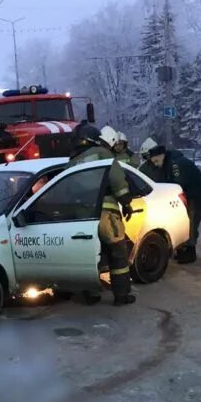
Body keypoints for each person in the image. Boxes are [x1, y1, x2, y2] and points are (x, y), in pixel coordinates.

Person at [67, 123, 136, 306]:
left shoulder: (73, 161)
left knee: (89, 256)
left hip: (81, 217)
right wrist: (126, 203)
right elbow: (117, 180)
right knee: (118, 255)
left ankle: (91, 294)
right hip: (106, 215)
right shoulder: (101, 153)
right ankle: (121, 296)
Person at [138, 138, 201, 264]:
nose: (155, 164)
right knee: (188, 221)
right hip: (191, 195)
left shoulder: (175, 164)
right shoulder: (169, 162)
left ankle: (190, 253)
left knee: (191, 222)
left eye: (156, 161)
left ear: (161, 155)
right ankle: (186, 249)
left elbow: (178, 185)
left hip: (196, 196)